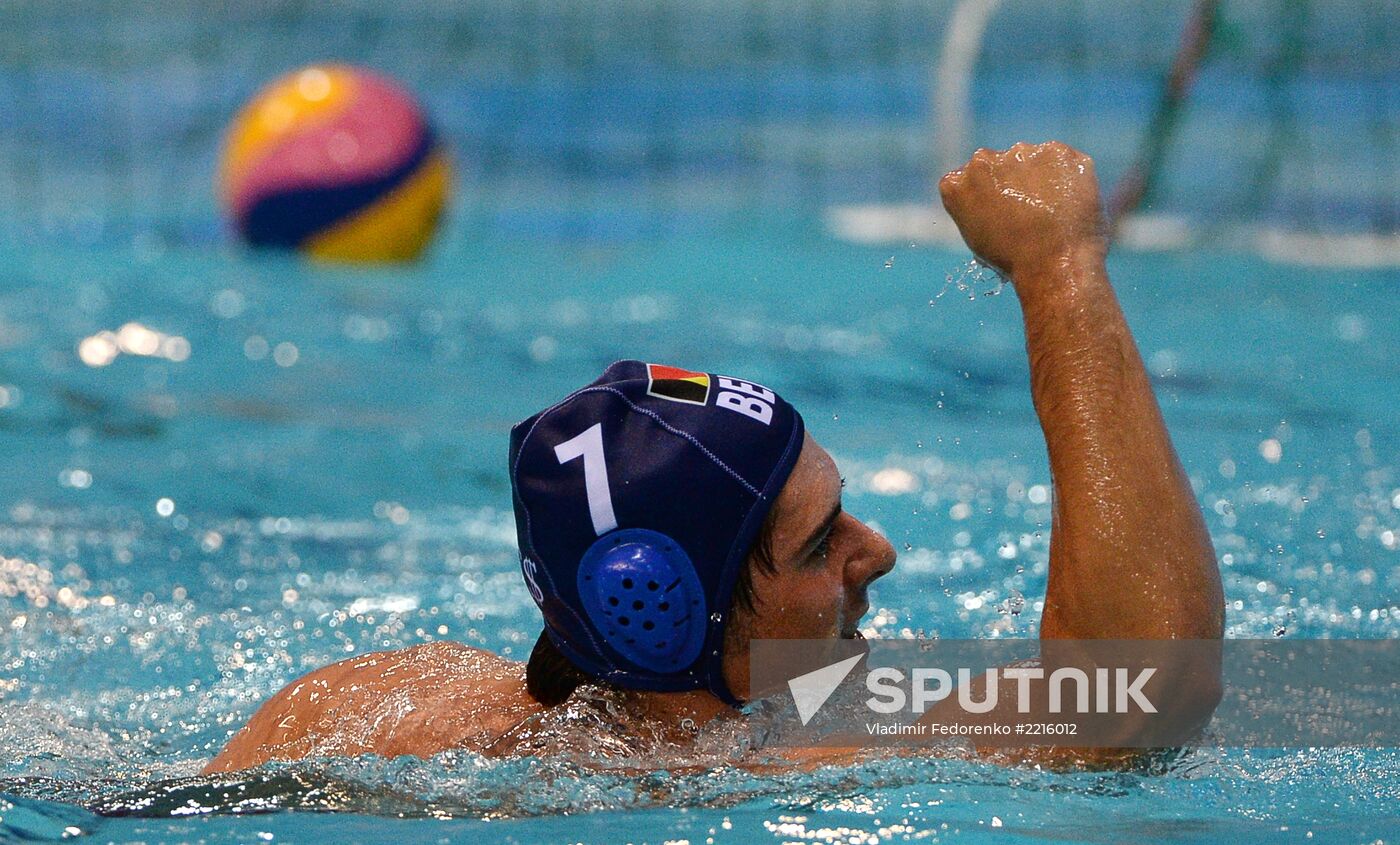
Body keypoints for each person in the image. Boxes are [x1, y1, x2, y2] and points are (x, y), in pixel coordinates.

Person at [203, 142, 1224, 774]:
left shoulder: (363, 703)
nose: (877, 554)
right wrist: (1058, 264)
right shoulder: (783, 760)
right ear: (658, 609)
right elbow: (1147, 687)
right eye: (821, 541)